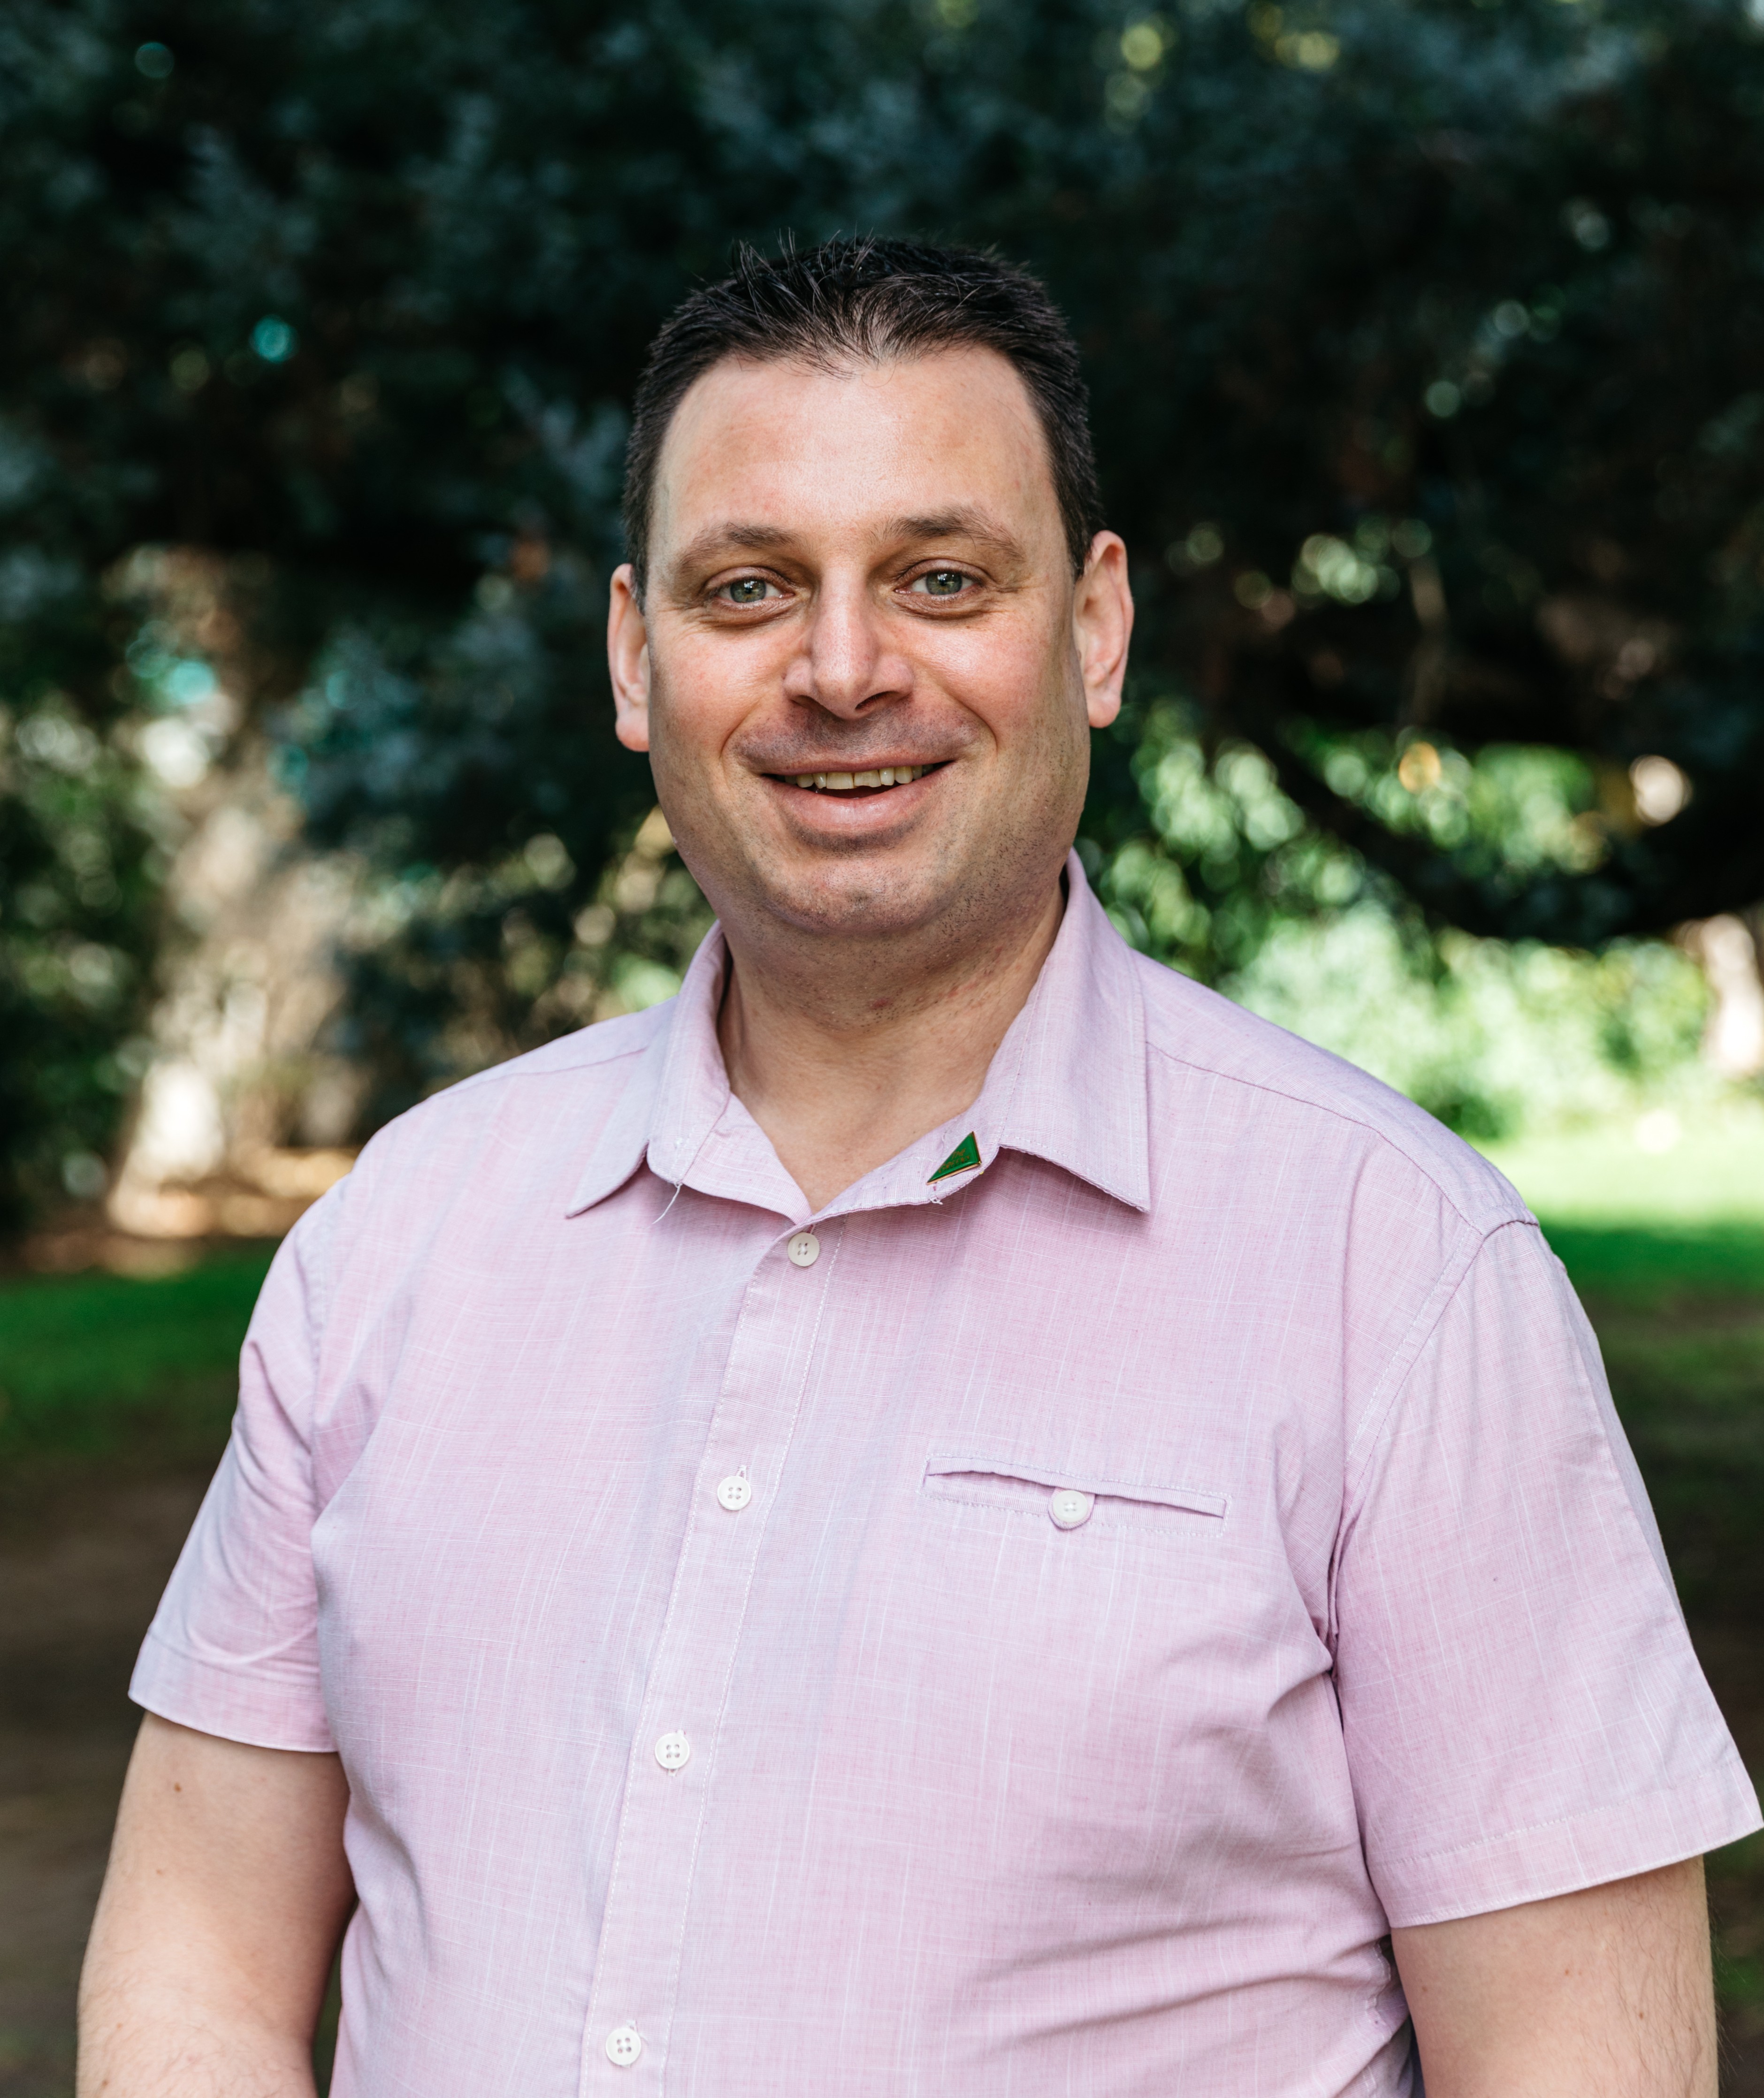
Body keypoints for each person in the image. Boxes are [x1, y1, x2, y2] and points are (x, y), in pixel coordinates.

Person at [80, 237, 1757, 2098]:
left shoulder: (1400, 1267)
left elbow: (1581, 2064)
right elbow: (198, 1963)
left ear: (1096, 629)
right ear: (638, 656)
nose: (844, 666)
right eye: (750, 587)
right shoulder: (402, 1231)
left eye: (941, 578)